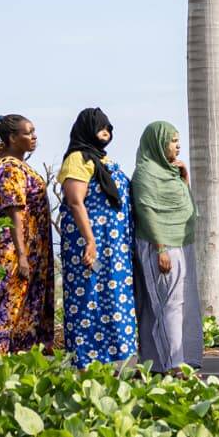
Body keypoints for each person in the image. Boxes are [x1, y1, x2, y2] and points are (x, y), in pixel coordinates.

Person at [57, 107, 137, 369]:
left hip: (114, 247)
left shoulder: (104, 160)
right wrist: (90, 241)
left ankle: (112, 367)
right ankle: (85, 366)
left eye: (108, 127)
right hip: (91, 244)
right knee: (89, 299)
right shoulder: (78, 158)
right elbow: (75, 200)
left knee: (113, 300)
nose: (105, 132)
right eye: (100, 127)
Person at [0, 115, 55, 355]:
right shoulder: (10, 168)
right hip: (10, 254)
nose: (34, 137)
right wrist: (22, 256)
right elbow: (14, 214)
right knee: (8, 310)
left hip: (18, 251)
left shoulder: (11, 164)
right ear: (12, 138)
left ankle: (10, 363)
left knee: (15, 310)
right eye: (28, 133)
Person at [130, 120, 202, 374]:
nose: (177, 146)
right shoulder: (145, 174)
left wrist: (185, 178)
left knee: (182, 304)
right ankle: (174, 365)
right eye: (172, 141)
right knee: (167, 305)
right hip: (159, 245)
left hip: (181, 243)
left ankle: (165, 363)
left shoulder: (172, 173)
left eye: (177, 140)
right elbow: (147, 212)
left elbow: (188, 205)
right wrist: (160, 248)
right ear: (158, 143)